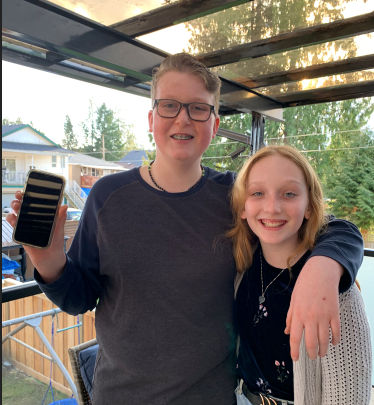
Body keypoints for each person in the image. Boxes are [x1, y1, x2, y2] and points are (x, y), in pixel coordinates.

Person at [6, 54, 364, 405]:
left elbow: (333, 228)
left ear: (214, 122)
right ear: (151, 117)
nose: (183, 118)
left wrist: (324, 266)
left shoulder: (236, 195)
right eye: (169, 106)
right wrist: (49, 259)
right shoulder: (107, 196)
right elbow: (78, 298)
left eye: (198, 108)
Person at [230, 145, 372, 405]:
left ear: (309, 207)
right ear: (242, 207)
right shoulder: (243, 269)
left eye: (289, 193)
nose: (272, 207)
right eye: (258, 193)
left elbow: (347, 399)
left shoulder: (334, 293)